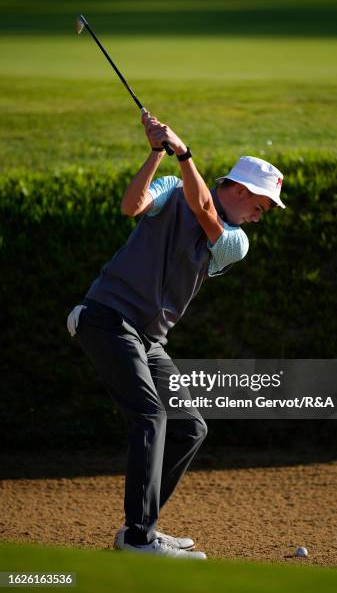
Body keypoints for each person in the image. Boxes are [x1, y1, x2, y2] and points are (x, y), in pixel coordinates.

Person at [67, 112, 286, 559]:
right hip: (108, 317)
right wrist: (155, 153)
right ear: (242, 190)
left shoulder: (235, 242)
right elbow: (132, 206)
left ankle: (141, 526)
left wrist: (183, 153)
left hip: (148, 339)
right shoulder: (170, 189)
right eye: (260, 207)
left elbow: (205, 209)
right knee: (150, 416)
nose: (258, 218)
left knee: (189, 428)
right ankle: (139, 537)